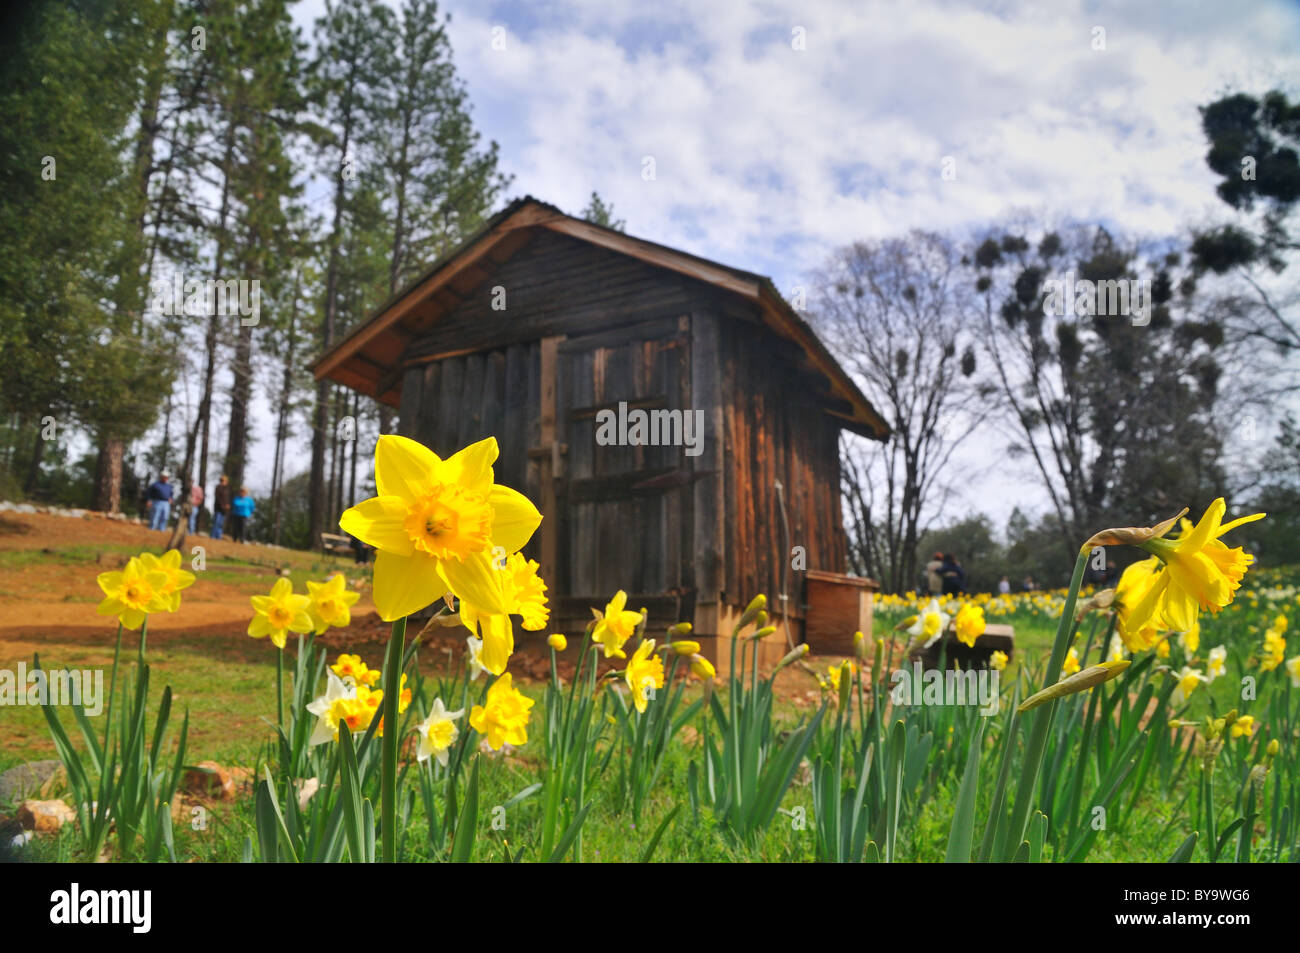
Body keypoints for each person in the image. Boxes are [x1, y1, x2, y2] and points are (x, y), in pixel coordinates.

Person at [211, 475, 232, 539]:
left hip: (224, 510)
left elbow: (228, 499)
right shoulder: (218, 487)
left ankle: (218, 536)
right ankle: (213, 536)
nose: (224, 482)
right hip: (218, 508)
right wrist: (223, 505)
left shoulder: (227, 489)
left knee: (221, 523)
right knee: (216, 522)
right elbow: (218, 498)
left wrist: (228, 505)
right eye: (222, 480)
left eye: (225, 481)